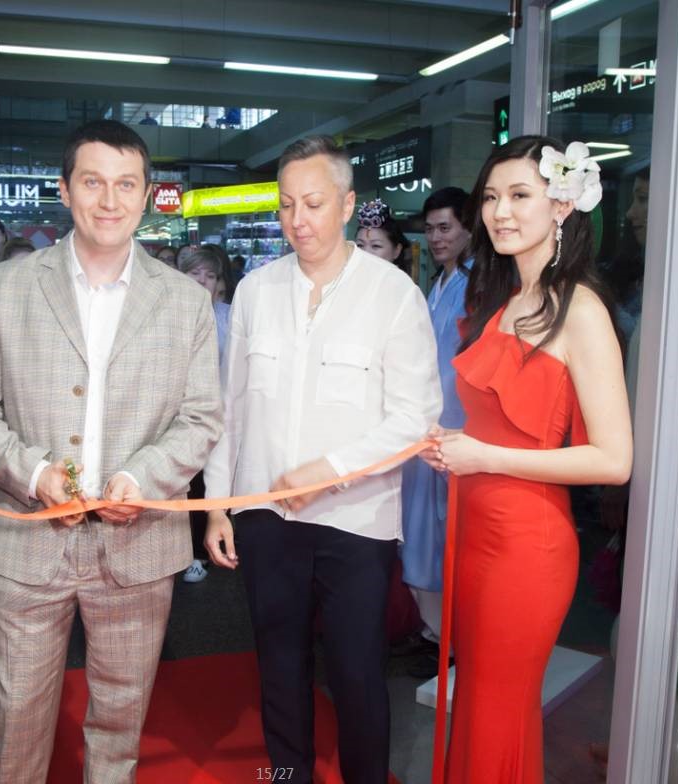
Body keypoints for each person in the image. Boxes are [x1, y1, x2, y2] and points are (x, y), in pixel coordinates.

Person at [0, 119, 222, 784]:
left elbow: (201, 417)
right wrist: (35, 472)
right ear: (65, 190)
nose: (109, 200)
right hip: (31, 536)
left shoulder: (185, 301)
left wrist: (144, 477)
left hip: (139, 543)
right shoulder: (6, 287)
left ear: (146, 195)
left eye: (126, 185)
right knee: (18, 714)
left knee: (121, 721)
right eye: (93, 182)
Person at [203, 135, 441, 784]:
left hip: (355, 520)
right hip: (264, 513)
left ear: (347, 205)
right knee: (278, 668)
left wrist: (328, 469)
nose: (297, 220)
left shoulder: (392, 294)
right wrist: (219, 505)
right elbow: (231, 406)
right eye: (286, 205)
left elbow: (415, 418)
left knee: (357, 674)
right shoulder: (256, 291)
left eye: (312, 203)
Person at [423, 136, 632, 783]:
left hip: (526, 545)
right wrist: (449, 441)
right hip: (473, 527)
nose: (499, 212)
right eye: (490, 197)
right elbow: (491, 420)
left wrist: (483, 454)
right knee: (479, 705)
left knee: (496, 710)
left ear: (562, 204)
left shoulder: (582, 310)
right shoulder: (504, 299)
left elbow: (613, 460)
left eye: (518, 195)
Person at [398, 186, 473, 677]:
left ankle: (454, 642)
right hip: (426, 429)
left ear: (468, 229)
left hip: (456, 432)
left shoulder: (478, 284)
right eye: (430, 229)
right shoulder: (438, 283)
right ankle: (437, 635)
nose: (437, 237)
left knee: (450, 538)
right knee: (424, 535)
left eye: (445, 227)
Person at [176, 244, 232, 584]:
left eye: (209, 275)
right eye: (194, 273)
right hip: (178, 417)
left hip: (219, 416)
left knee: (207, 485)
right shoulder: (168, 314)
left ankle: (201, 552)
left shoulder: (228, 316)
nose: (201, 281)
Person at [354, 197, 412, 276]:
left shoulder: (402, 283)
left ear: (397, 251)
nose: (366, 252)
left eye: (376, 246)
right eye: (360, 245)